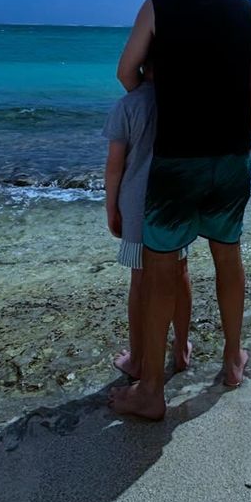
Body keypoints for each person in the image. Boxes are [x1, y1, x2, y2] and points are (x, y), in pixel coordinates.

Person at [109, 0, 251, 420]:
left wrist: (155, 85)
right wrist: (239, 137)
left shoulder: (158, 4)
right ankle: (232, 360)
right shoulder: (247, 11)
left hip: (175, 159)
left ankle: (152, 388)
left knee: (159, 271)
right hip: (229, 156)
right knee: (228, 258)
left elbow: (125, 72)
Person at [102, 61, 192, 379]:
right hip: (176, 200)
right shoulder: (184, 102)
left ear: (142, 64)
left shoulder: (128, 105)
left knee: (141, 281)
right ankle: (181, 350)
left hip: (137, 203)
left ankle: (138, 359)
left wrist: (110, 206)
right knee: (179, 271)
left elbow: (115, 166)